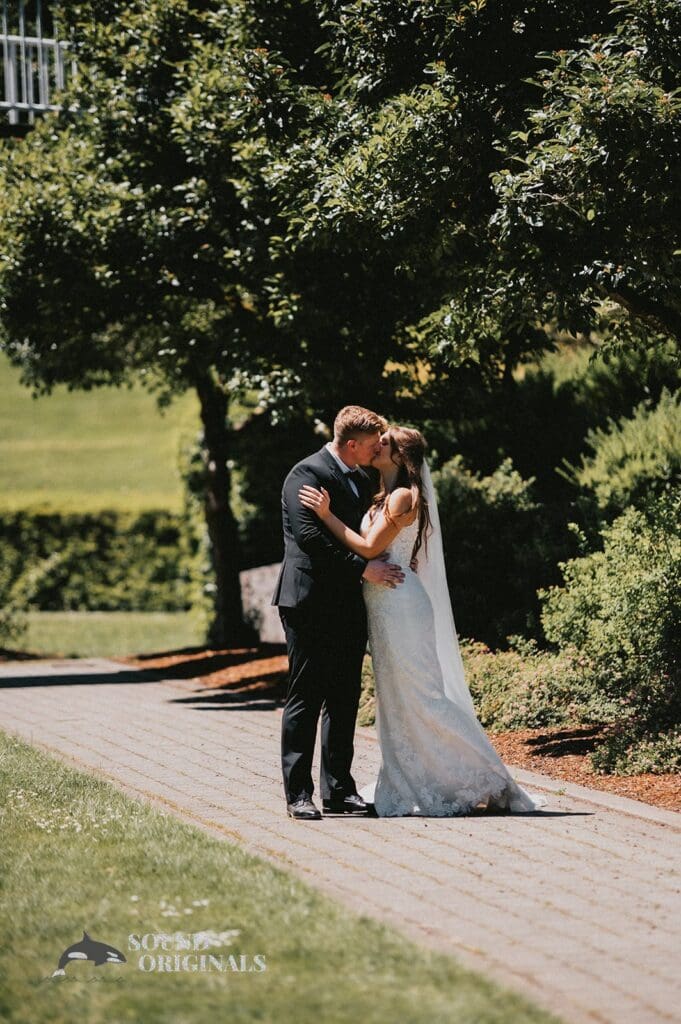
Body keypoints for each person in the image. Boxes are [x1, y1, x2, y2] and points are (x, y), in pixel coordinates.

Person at [299, 426, 544, 816]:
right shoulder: (381, 494)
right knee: (397, 701)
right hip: (382, 607)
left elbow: (368, 547)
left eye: (386, 443)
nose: (377, 444)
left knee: (424, 696)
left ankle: (490, 776)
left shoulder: (401, 497)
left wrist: (326, 515)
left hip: (401, 605)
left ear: (401, 456)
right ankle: (414, 778)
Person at [272, 406, 406, 820]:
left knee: (344, 697)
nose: (375, 450)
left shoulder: (362, 477)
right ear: (351, 445)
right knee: (306, 695)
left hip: (348, 603)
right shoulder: (305, 476)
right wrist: (364, 567)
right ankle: (298, 794)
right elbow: (310, 539)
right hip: (309, 602)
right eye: (370, 445)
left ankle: (339, 790)